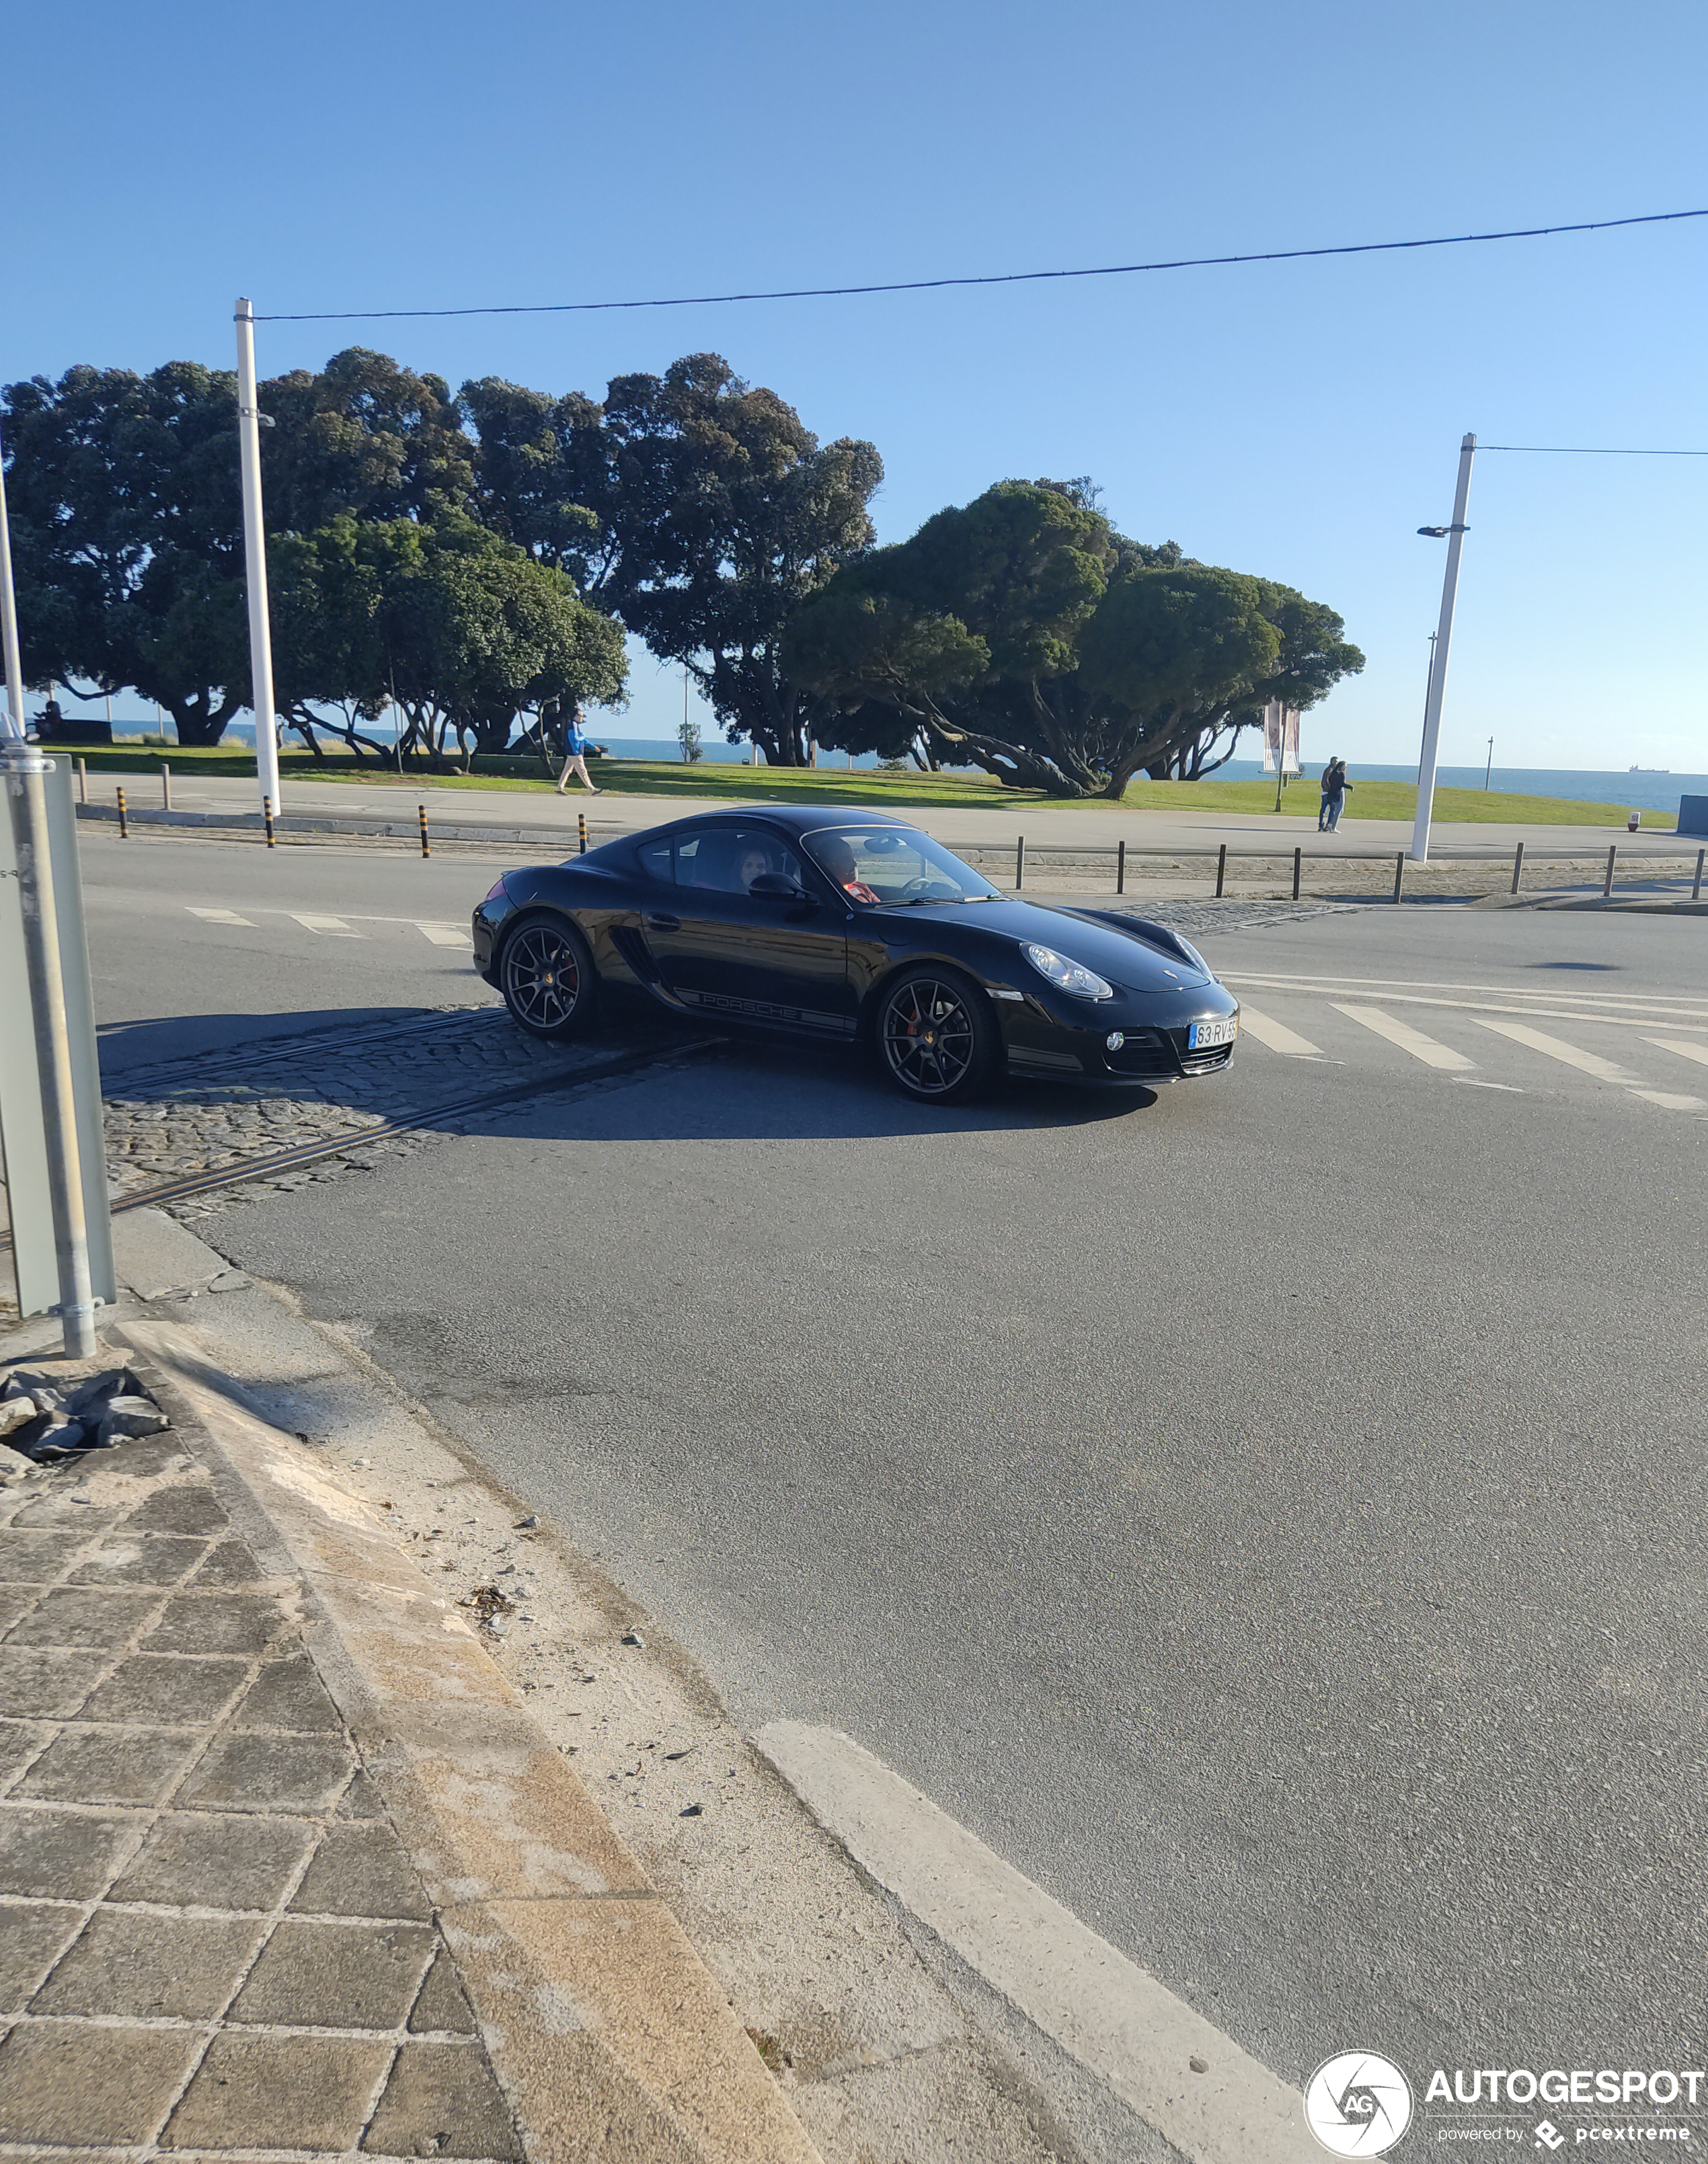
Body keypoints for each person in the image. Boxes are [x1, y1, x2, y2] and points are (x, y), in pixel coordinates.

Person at [817, 837, 881, 904]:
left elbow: (879, 909)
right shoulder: (825, 896)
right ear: (828, 864)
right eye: (847, 859)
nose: (854, 864)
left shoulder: (862, 887)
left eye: (853, 858)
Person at [554, 705, 600, 794]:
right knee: (582, 771)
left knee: (567, 771)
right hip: (575, 753)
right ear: (575, 716)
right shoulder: (573, 725)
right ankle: (592, 789)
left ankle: (560, 788)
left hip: (572, 753)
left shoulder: (575, 725)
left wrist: (593, 747)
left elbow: (583, 740)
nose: (582, 718)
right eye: (581, 716)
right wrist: (581, 737)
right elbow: (574, 738)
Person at [1324, 759, 1352, 832]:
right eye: (1344, 767)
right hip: (1339, 792)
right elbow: (1341, 784)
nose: (1345, 768)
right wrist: (1350, 787)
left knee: (1340, 810)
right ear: (1340, 766)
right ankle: (1333, 827)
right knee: (1339, 810)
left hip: (1332, 793)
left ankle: (1331, 824)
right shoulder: (1341, 774)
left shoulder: (1333, 774)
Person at [1318, 758, 1337, 832]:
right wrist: (1329, 788)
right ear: (1332, 762)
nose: (1336, 763)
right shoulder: (1330, 770)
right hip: (1327, 793)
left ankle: (1326, 825)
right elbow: (1325, 780)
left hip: (1328, 792)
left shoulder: (1333, 770)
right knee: (1329, 808)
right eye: (1335, 761)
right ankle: (1323, 825)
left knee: (1328, 809)